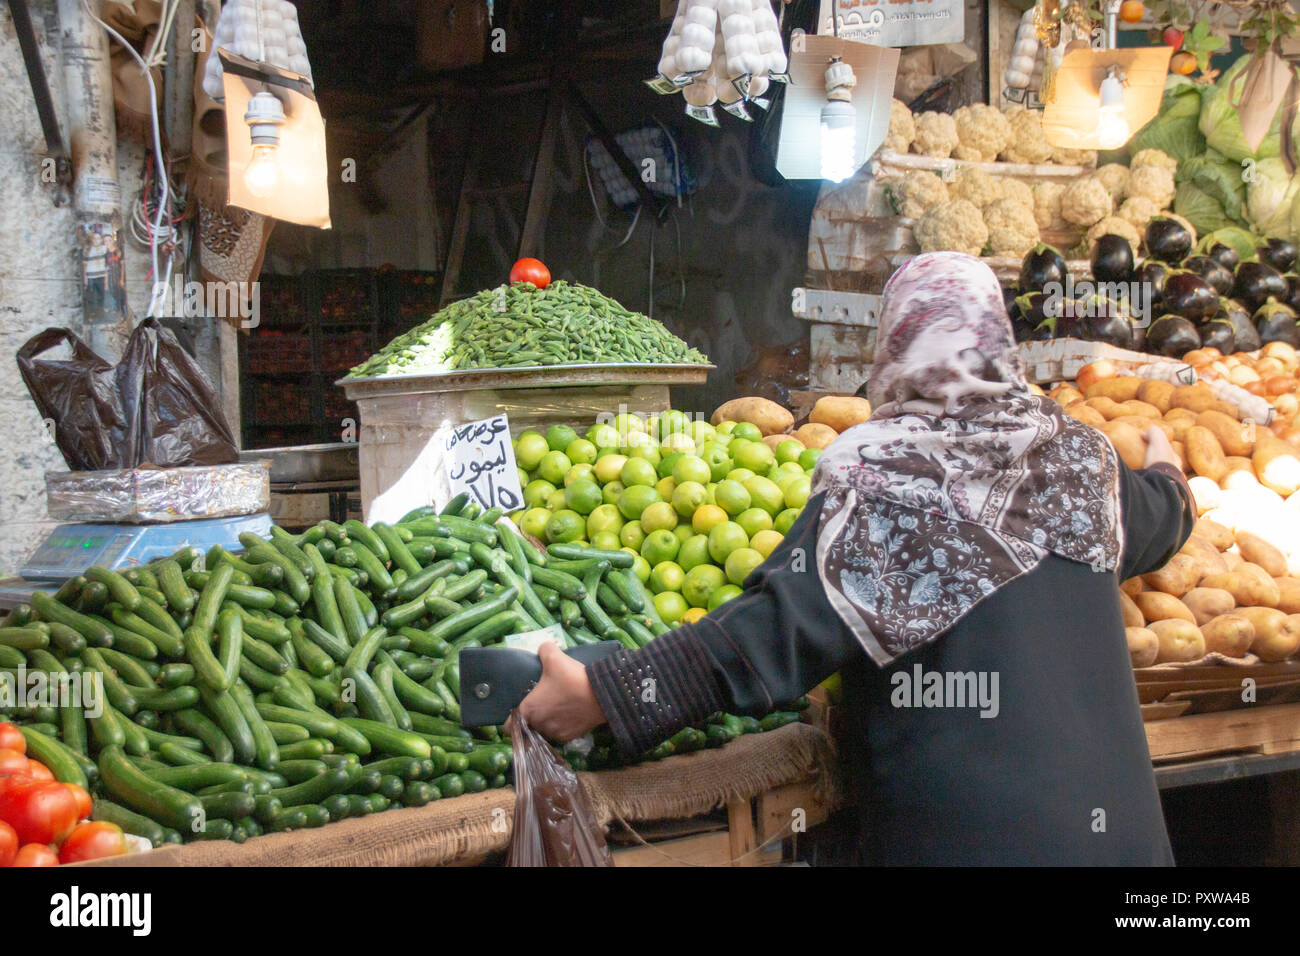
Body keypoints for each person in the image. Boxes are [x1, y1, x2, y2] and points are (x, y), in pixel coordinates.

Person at [519, 251, 1194, 866]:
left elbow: (770, 636)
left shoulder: (883, 473)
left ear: (895, 343)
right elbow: (1163, 520)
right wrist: (1167, 470)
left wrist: (603, 695)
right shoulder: (1083, 459)